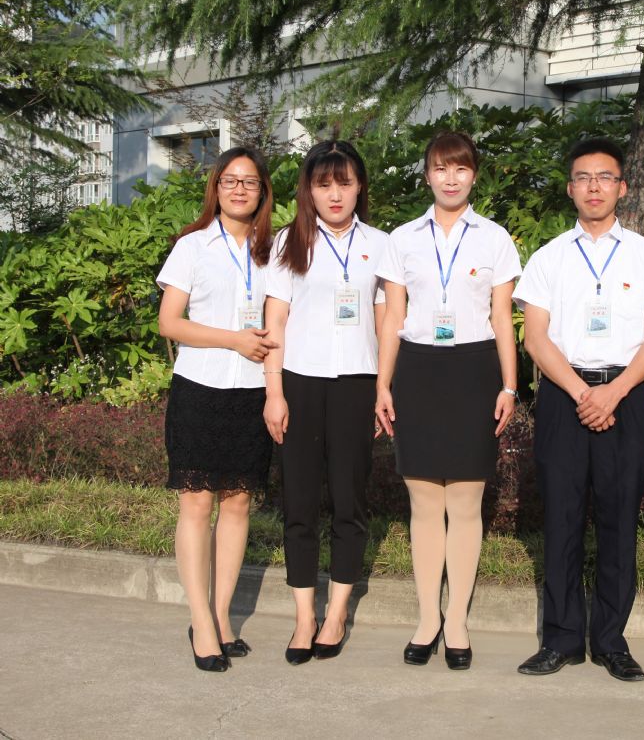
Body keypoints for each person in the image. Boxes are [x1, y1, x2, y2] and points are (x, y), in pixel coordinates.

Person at [512, 137, 644, 682]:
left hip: (624, 397)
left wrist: (614, 391)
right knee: (561, 519)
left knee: (618, 521)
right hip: (565, 398)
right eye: (583, 178)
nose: (594, 187)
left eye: (605, 177)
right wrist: (584, 394)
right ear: (570, 189)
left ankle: (610, 641)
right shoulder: (549, 257)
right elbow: (536, 338)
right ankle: (560, 639)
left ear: (622, 187)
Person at [374, 131, 521, 671]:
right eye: (441, 168)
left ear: (473, 175)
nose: (451, 178)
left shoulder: (495, 239)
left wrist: (509, 386)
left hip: (473, 370)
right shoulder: (402, 239)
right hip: (416, 370)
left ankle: (456, 619)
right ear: (427, 176)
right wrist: (382, 384)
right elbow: (393, 316)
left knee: (464, 502)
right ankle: (426, 619)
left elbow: (502, 318)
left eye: (460, 169)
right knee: (422, 503)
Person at [262, 140, 387, 665]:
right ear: (309, 190)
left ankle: (335, 614)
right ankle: (304, 617)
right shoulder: (288, 242)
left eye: (345, 183)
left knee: (349, 500)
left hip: (357, 382)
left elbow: (386, 320)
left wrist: (384, 387)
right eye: (323, 184)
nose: (335, 194)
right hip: (300, 382)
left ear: (360, 187)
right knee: (299, 503)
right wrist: (274, 392)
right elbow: (275, 319)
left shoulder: (380, 244)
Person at [157, 146, 276, 672]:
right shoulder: (192, 246)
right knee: (196, 505)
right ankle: (200, 622)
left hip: (252, 390)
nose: (239, 189)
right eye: (230, 180)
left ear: (262, 191)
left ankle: (223, 617)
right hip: (200, 388)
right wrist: (233, 339)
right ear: (216, 188)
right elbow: (170, 322)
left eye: (249, 182)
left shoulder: (275, 249)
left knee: (237, 504)